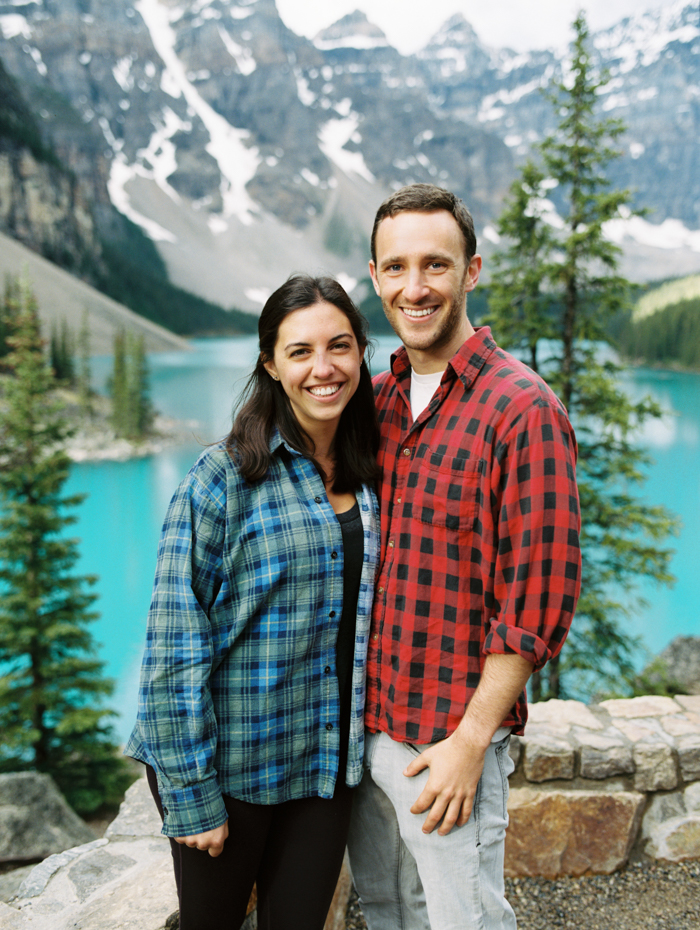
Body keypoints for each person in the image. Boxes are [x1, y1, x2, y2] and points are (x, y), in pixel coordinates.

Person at [346, 184, 582, 929]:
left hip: (447, 737)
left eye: (436, 266)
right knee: (387, 912)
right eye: (396, 268)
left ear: (471, 271)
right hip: (366, 728)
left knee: (464, 919)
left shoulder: (523, 409)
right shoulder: (375, 400)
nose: (415, 289)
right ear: (376, 276)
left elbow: (537, 604)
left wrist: (471, 741)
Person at [125, 274, 380, 930]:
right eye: (300, 352)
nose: (323, 368)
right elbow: (173, 647)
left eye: (340, 346)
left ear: (360, 353)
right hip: (230, 770)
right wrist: (192, 796)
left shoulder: (371, 471)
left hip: (322, 769)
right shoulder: (223, 479)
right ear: (270, 363)